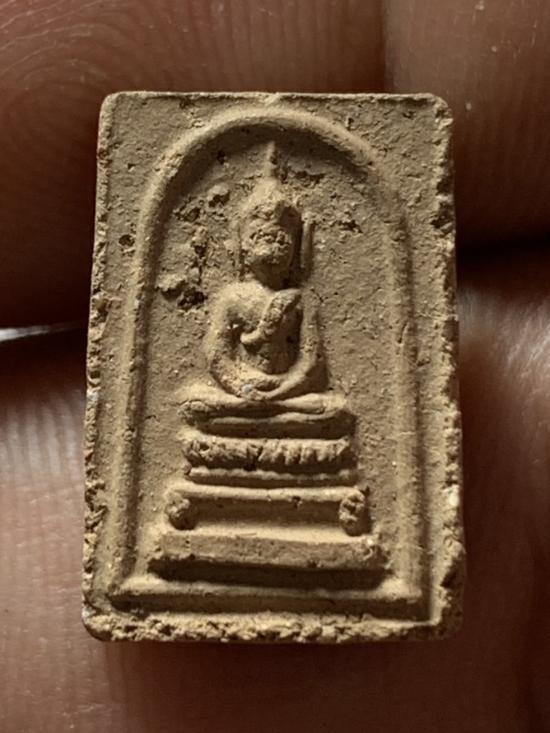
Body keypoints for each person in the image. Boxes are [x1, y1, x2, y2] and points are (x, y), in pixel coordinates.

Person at [1, 2, 550, 731]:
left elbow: (314, 368)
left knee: (332, 415)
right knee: (199, 409)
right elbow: (215, 360)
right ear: (240, 243)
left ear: (298, 245)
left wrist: (281, 389)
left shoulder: (301, 301)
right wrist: (246, 389)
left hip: (291, 409)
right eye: (259, 237)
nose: (270, 248)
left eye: (280, 239)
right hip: (236, 408)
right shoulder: (231, 298)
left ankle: (325, 518)